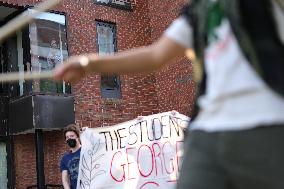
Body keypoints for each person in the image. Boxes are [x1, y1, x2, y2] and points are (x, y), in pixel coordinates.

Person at [54, 0, 284, 188]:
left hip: (266, 127)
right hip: (206, 134)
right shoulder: (196, 14)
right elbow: (155, 56)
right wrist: (89, 64)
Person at [60, 124, 81, 189]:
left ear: (78, 137)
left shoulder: (87, 151)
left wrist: (89, 133)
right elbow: (65, 179)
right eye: (67, 137)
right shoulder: (65, 158)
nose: (69, 139)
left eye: (72, 136)